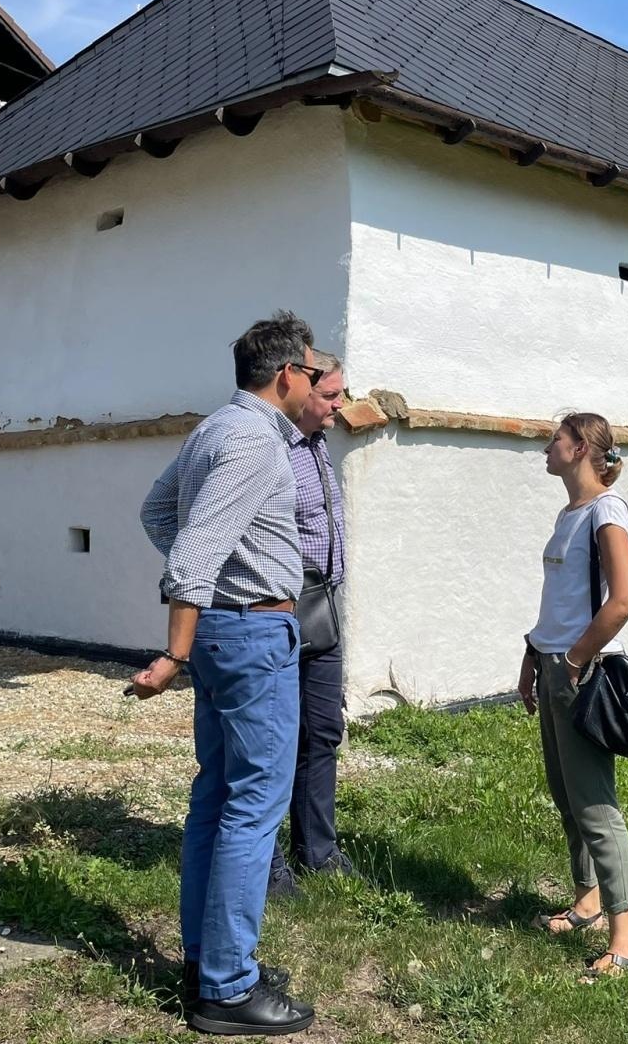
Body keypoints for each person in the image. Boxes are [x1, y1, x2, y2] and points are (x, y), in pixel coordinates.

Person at [131, 311, 321, 1036]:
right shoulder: (254, 441)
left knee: (215, 798)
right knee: (252, 808)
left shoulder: (216, 428)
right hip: (249, 634)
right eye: (311, 371)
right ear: (285, 376)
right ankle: (227, 987)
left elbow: (158, 513)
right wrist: (174, 653)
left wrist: (217, 579)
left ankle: (206, 959)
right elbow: (191, 553)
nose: (315, 382)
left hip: (226, 631)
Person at [519, 411, 628, 982]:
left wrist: (572, 661)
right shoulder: (568, 512)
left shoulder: (606, 512)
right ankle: (587, 903)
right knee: (565, 795)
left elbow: (623, 600)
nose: (547, 447)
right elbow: (559, 604)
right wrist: (533, 658)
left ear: (580, 448)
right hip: (551, 666)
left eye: (555, 440)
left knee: (594, 805)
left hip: (576, 673)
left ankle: (624, 940)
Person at [267, 354, 353, 897]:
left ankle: (317, 851)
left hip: (323, 607)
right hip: (278, 610)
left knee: (321, 731)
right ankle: (267, 862)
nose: (340, 406)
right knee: (272, 740)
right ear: (300, 392)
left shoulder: (319, 446)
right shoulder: (272, 450)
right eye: (331, 397)